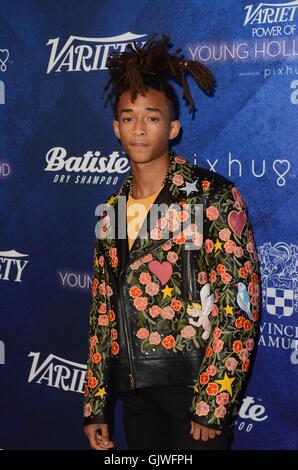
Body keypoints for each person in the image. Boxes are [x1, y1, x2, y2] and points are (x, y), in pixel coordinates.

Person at [83, 35, 261, 451]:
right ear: (116, 128)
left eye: (152, 117)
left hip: (195, 392)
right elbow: (101, 310)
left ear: (173, 127)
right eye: (128, 118)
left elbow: (240, 303)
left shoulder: (211, 196)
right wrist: (95, 404)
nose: (139, 128)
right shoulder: (111, 208)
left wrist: (214, 402)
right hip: (135, 393)